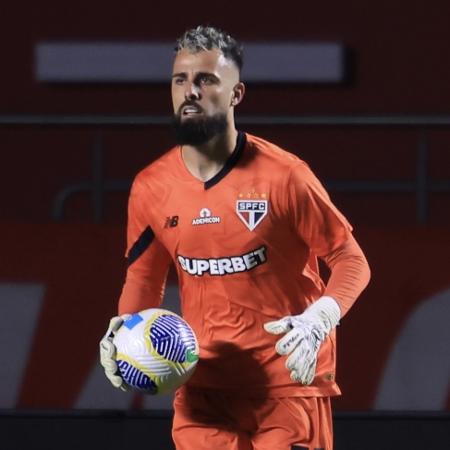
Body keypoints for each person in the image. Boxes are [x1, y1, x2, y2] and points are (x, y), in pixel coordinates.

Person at [100, 25, 371, 450]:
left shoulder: (285, 176)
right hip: (202, 389)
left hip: (286, 386)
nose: (190, 91)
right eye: (180, 80)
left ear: (236, 94)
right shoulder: (150, 186)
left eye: (206, 80)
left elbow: (351, 260)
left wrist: (320, 320)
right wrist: (123, 337)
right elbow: (143, 281)